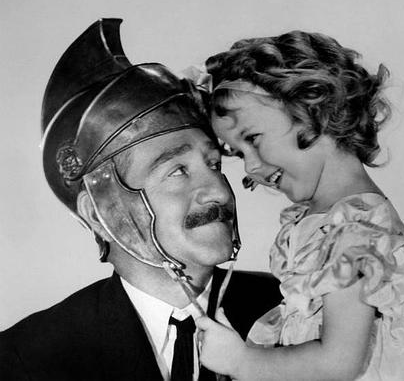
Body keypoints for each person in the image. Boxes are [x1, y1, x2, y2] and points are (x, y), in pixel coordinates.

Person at [0, 19, 281, 381]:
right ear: (99, 212)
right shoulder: (27, 359)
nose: (218, 191)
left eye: (214, 164)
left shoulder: (296, 312)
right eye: (177, 171)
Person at [195, 31, 404, 380]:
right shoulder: (337, 221)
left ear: (314, 110)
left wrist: (241, 362)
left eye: (253, 139)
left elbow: (339, 362)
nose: (252, 167)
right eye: (240, 154)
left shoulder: (351, 234)